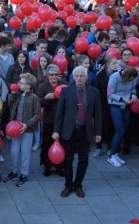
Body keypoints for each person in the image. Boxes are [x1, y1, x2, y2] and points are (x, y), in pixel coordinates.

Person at [53, 66, 102, 198]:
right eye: (77, 76)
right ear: (73, 77)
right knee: (68, 160)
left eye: (82, 76)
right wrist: (56, 131)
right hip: (69, 130)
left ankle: (78, 185)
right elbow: (60, 113)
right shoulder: (66, 91)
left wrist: (98, 132)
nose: (79, 78)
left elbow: (97, 114)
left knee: (83, 160)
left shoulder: (94, 92)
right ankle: (68, 185)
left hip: (85, 131)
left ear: (87, 77)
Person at [4, 73, 41, 187]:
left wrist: (27, 124)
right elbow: (10, 105)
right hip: (15, 128)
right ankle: (13, 171)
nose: (18, 83)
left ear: (29, 85)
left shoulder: (34, 98)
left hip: (27, 130)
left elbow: (37, 114)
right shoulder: (18, 95)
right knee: (14, 151)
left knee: (25, 153)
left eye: (22, 82)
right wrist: (13, 94)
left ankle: (24, 174)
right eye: (19, 81)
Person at [107, 67, 139, 167]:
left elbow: (134, 87)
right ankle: (111, 156)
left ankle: (115, 153)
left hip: (127, 106)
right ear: (126, 75)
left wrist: (133, 94)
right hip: (115, 105)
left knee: (123, 131)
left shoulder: (132, 78)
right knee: (119, 131)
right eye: (130, 79)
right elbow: (110, 94)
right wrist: (122, 99)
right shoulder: (114, 77)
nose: (131, 81)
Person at [37, 64, 64, 176]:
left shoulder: (64, 85)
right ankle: (47, 166)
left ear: (59, 75)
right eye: (51, 75)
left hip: (62, 119)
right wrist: (46, 98)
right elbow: (38, 102)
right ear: (47, 75)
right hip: (48, 119)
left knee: (61, 143)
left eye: (56, 74)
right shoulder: (43, 86)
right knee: (47, 143)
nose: (53, 77)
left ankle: (59, 167)